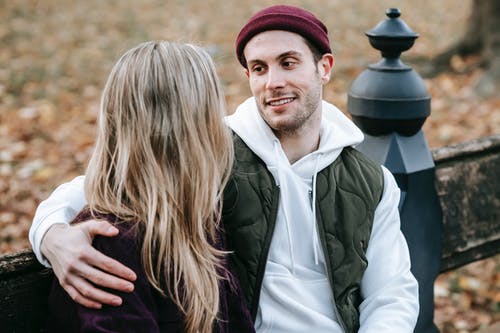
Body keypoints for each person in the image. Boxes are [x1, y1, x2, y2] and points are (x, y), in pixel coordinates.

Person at [30, 5, 419, 333]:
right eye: (259, 68)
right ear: (247, 76)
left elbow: (392, 295)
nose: (274, 82)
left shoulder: (371, 181)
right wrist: (51, 234)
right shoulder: (212, 153)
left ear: (324, 67)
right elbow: (114, 183)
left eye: (288, 63)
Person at [44, 40, 254, 333]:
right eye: (213, 112)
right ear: (190, 128)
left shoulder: (198, 218)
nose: (222, 126)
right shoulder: (109, 247)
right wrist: (49, 231)